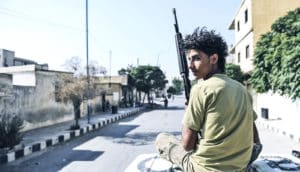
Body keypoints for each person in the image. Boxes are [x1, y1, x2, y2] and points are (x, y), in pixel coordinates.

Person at [155, 27, 261, 172]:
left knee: (162, 139)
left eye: (197, 58)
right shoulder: (242, 88)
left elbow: (187, 145)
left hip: (204, 168)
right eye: (189, 59)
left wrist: (188, 114)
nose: (191, 65)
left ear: (213, 59)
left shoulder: (200, 89)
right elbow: (255, 138)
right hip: (240, 166)